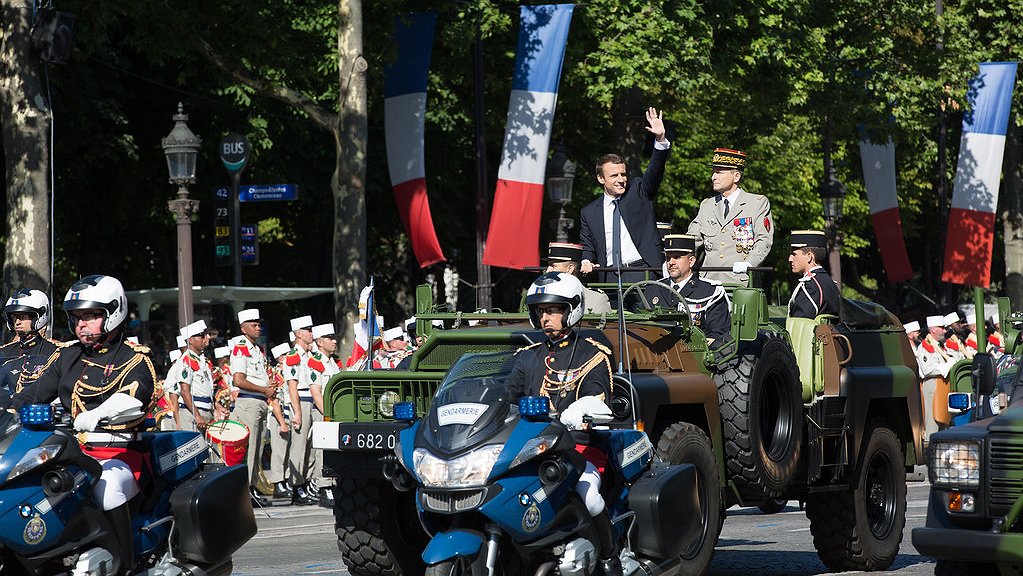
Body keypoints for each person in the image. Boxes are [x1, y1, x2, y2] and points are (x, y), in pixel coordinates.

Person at [12, 275, 157, 571]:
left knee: (106, 486)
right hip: (68, 454)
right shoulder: (67, 355)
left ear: (113, 313)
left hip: (116, 454)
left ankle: (124, 565)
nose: (82, 324)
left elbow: (135, 397)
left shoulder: (134, 358)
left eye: (91, 316)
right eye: (77, 317)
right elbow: (33, 393)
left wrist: (99, 413)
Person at [502, 272, 621, 576]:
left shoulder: (593, 353)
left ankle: (610, 558)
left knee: (587, 494)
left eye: (553, 310)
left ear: (573, 310)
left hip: (579, 449)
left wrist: (581, 409)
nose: (546, 318)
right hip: (530, 451)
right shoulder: (527, 357)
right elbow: (504, 396)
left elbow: (599, 396)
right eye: (541, 311)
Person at [579, 107, 670, 284]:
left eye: (623, 174)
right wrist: (586, 260)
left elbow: (655, 171)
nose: (621, 180)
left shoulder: (638, 191)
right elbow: (587, 246)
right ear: (600, 178)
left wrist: (660, 140)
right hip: (609, 276)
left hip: (643, 271)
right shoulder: (589, 212)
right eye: (614, 176)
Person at [686, 148, 774, 283]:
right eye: (713, 172)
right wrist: (674, 254)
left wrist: (749, 264)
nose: (713, 177)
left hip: (741, 283)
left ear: (736, 176)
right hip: (709, 283)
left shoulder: (757, 204)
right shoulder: (707, 205)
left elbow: (764, 241)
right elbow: (691, 239)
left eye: (719, 172)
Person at [229, 308, 273, 508]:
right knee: (249, 449)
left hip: (259, 402)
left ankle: (252, 487)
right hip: (249, 402)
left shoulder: (256, 348)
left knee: (257, 448)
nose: (258, 328)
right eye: (253, 325)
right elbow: (238, 380)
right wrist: (263, 389)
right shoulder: (241, 348)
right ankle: (245, 491)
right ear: (243, 328)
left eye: (259, 324)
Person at [659, 234, 731, 343]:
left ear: (691, 261)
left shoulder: (710, 291)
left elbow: (718, 334)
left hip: (692, 354)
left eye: (677, 257)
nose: (671, 262)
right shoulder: (654, 288)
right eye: (668, 258)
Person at [282, 315, 318, 505]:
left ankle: (306, 483)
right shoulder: (293, 356)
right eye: (307, 330)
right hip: (301, 401)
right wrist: (297, 412)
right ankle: (296, 487)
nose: (311, 333)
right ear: (297, 334)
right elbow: (292, 386)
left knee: (311, 447)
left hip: (311, 399)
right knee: (298, 447)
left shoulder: (310, 355)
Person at [0, 288, 60, 394]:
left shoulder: (56, 351)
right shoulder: (5, 352)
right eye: (14, 317)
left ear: (37, 317)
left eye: (22, 317)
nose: (17, 322)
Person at [309, 322, 341, 507]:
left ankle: (332, 484)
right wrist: (328, 415)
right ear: (319, 342)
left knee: (332, 450)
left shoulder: (331, 362)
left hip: (333, 413)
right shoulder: (316, 362)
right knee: (322, 452)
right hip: (324, 413)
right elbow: (316, 393)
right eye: (330, 338)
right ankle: (323, 488)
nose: (334, 341)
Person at [545, 242, 613, 314]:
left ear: (570, 269)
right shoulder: (544, 297)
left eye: (553, 266)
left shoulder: (596, 300)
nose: (548, 271)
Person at [917, 314, 955, 441]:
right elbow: (926, 370)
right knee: (932, 423)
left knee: (944, 421)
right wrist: (946, 366)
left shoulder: (939, 346)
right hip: (932, 385)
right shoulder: (925, 346)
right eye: (941, 327)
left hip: (943, 385)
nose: (944, 330)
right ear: (933, 329)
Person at [787, 230, 840, 319]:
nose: (790, 259)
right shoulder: (828, 282)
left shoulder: (810, 287)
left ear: (809, 256)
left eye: (794, 254)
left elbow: (800, 325)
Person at [174, 320, 216, 434]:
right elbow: (184, 391)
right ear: (190, 340)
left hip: (206, 411)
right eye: (202, 335)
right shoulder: (187, 360)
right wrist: (197, 415)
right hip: (193, 414)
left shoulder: (202, 359)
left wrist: (217, 406)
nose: (206, 338)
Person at [266, 342, 294, 501]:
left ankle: (286, 481)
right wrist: (282, 422)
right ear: (282, 358)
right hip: (279, 416)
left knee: (288, 452)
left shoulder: (287, 373)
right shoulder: (276, 375)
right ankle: (278, 483)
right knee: (279, 452)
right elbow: (274, 400)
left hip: (288, 415)